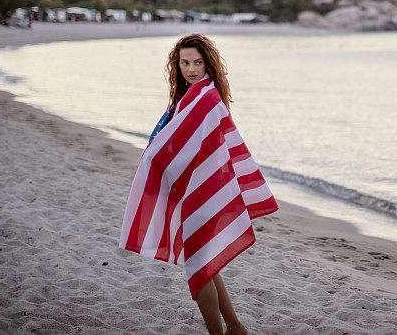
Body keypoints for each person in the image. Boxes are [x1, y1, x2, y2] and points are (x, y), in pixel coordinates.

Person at [119, 33, 279, 335]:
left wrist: (153, 160)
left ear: (208, 63)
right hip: (201, 191)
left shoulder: (204, 97)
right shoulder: (195, 95)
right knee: (207, 263)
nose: (191, 69)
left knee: (198, 270)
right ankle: (234, 326)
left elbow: (178, 147)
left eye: (197, 62)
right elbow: (183, 145)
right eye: (184, 63)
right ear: (176, 65)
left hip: (203, 193)